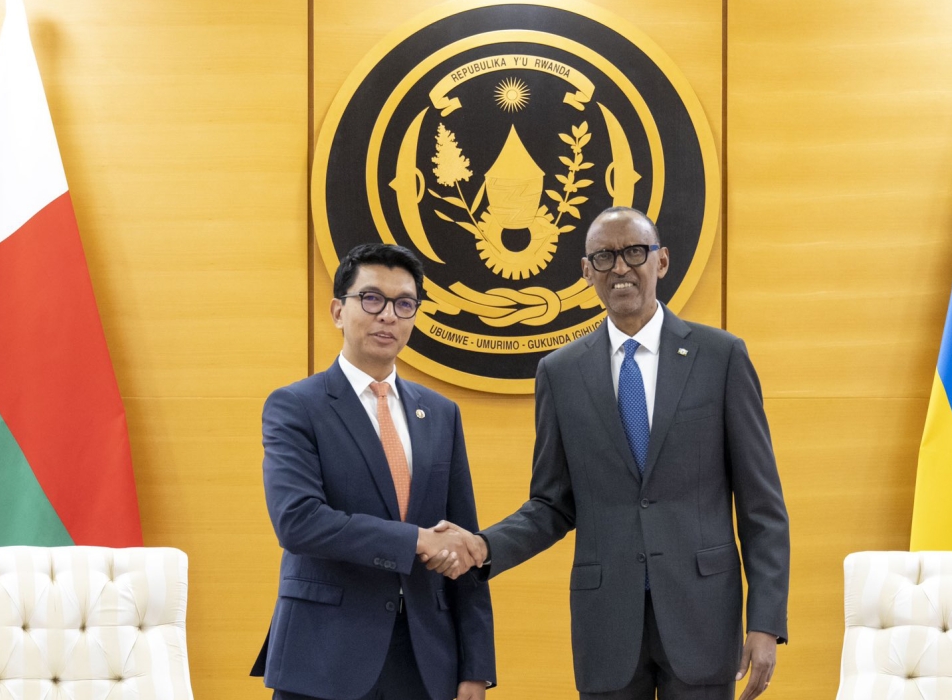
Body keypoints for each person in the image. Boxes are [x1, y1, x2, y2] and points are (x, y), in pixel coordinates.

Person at [426, 207, 790, 700]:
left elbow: (761, 505)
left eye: (634, 252)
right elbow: (551, 504)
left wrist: (765, 622)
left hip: (703, 616)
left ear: (661, 261)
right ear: (586, 271)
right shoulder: (560, 372)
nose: (620, 267)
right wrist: (484, 546)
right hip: (606, 625)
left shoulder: (721, 357)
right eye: (604, 257)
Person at [251, 243, 495, 700]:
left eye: (404, 304)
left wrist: (476, 666)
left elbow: (461, 539)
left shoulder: (441, 413)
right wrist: (416, 540)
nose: (388, 315)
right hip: (324, 655)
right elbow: (298, 522)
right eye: (371, 299)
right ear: (337, 311)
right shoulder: (295, 406)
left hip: (425, 661)